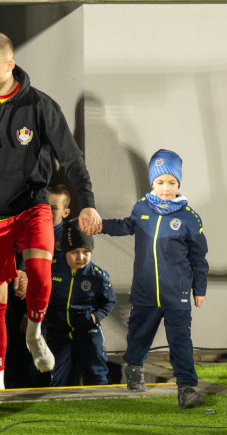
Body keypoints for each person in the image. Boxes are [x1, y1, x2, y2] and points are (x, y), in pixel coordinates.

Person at [0, 31, 102, 391]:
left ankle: (34, 333)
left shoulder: (40, 106)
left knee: (40, 271)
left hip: (31, 207)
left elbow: (73, 159)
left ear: (9, 65)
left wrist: (88, 202)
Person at [97, 149, 208, 409]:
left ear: (179, 183)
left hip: (176, 294)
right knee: (138, 335)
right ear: (152, 183)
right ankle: (134, 370)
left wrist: (198, 289)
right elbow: (125, 225)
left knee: (180, 341)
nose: (165, 188)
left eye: (171, 182)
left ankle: (186, 387)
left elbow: (199, 258)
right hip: (146, 293)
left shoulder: (189, 218)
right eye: (160, 182)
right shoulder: (141, 208)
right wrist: (100, 225)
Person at [46, 220, 115, 387]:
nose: (81, 257)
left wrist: (94, 317)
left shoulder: (98, 276)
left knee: (96, 368)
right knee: (60, 378)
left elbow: (109, 301)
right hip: (58, 332)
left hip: (87, 329)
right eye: (74, 252)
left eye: (86, 252)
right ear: (64, 251)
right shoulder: (51, 269)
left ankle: (99, 402)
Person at [49, 183, 72, 251]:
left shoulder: (68, 237)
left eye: (54, 208)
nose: (47, 211)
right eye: (45, 206)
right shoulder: (29, 230)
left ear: (65, 213)